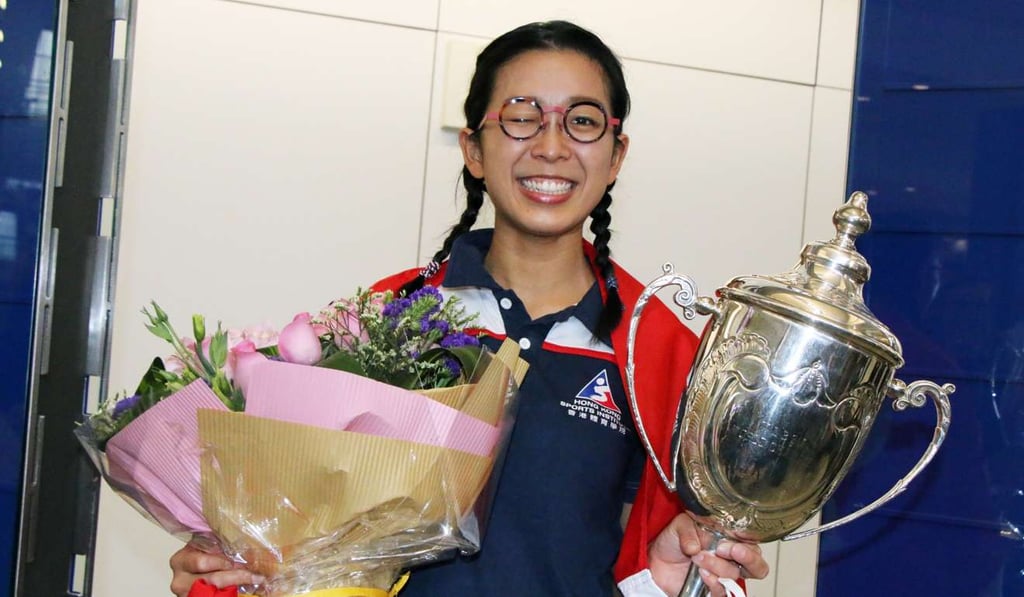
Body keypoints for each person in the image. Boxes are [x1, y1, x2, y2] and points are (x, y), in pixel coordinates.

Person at [169, 20, 768, 597]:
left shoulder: (655, 350)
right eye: (521, 118)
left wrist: (667, 579)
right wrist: (234, 557)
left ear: (615, 157)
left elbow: (643, 560)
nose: (552, 146)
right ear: (474, 150)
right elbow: (297, 528)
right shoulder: (388, 317)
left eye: (582, 121)